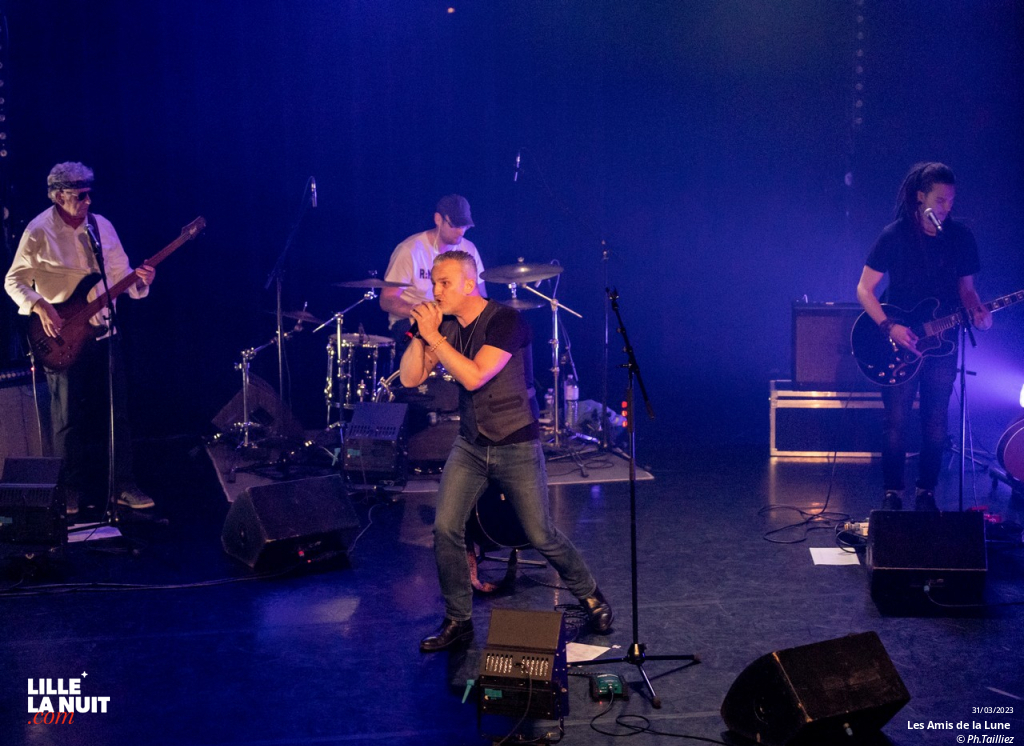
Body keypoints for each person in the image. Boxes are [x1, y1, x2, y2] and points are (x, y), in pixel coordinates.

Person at [400, 250, 612, 652]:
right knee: (446, 528)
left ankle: (591, 595)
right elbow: (411, 378)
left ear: (469, 283)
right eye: (434, 283)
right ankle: (458, 620)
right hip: (471, 445)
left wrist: (435, 339)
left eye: (444, 283)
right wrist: (419, 334)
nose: (436, 291)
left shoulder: (507, 321)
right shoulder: (442, 325)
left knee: (539, 533)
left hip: (515, 442)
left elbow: (476, 376)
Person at [4, 162, 156, 516]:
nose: (87, 202)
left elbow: (121, 276)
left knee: (117, 413)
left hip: (105, 330)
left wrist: (143, 279)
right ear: (59, 196)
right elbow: (14, 280)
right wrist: (40, 306)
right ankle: (68, 488)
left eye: (89, 194)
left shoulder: (101, 227)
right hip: (61, 336)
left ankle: (123, 485)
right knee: (68, 417)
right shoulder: (39, 230)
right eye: (79, 196)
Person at [855, 162, 992, 511]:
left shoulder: (959, 238)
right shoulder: (894, 235)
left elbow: (967, 291)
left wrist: (978, 312)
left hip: (942, 343)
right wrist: (889, 327)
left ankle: (926, 491)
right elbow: (865, 289)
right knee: (896, 421)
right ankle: (892, 493)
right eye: (940, 200)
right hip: (899, 338)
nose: (946, 208)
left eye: (951, 201)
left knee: (935, 420)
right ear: (920, 197)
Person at [380, 194, 486, 354]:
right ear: (438, 219)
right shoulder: (410, 250)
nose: (460, 232)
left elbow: (480, 295)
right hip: (412, 322)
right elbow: (387, 300)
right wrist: (419, 310)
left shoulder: (469, 249)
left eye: (464, 226)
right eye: (455, 225)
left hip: (453, 320)